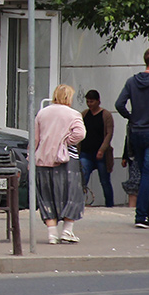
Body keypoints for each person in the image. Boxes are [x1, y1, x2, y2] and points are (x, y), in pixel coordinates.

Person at [115, 47, 149, 228]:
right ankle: (141, 216)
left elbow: (119, 104)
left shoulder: (132, 82)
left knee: (144, 173)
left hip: (136, 133)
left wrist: (131, 117)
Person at [34, 83, 86, 244]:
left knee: (47, 196)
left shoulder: (42, 113)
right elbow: (80, 133)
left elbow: (36, 139)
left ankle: (51, 234)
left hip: (43, 159)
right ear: (69, 97)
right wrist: (65, 142)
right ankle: (67, 231)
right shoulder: (73, 114)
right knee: (72, 194)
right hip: (66, 161)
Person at [79, 89, 116, 207]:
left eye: (92, 101)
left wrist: (102, 149)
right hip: (85, 152)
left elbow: (109, 133)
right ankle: (79, 203)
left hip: (101, 153)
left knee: (104, 180)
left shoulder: (106, 115)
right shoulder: (84, 114)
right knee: (82, 177)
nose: (90, 104)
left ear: (98, 101)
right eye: (88, 101)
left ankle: (110, 204)